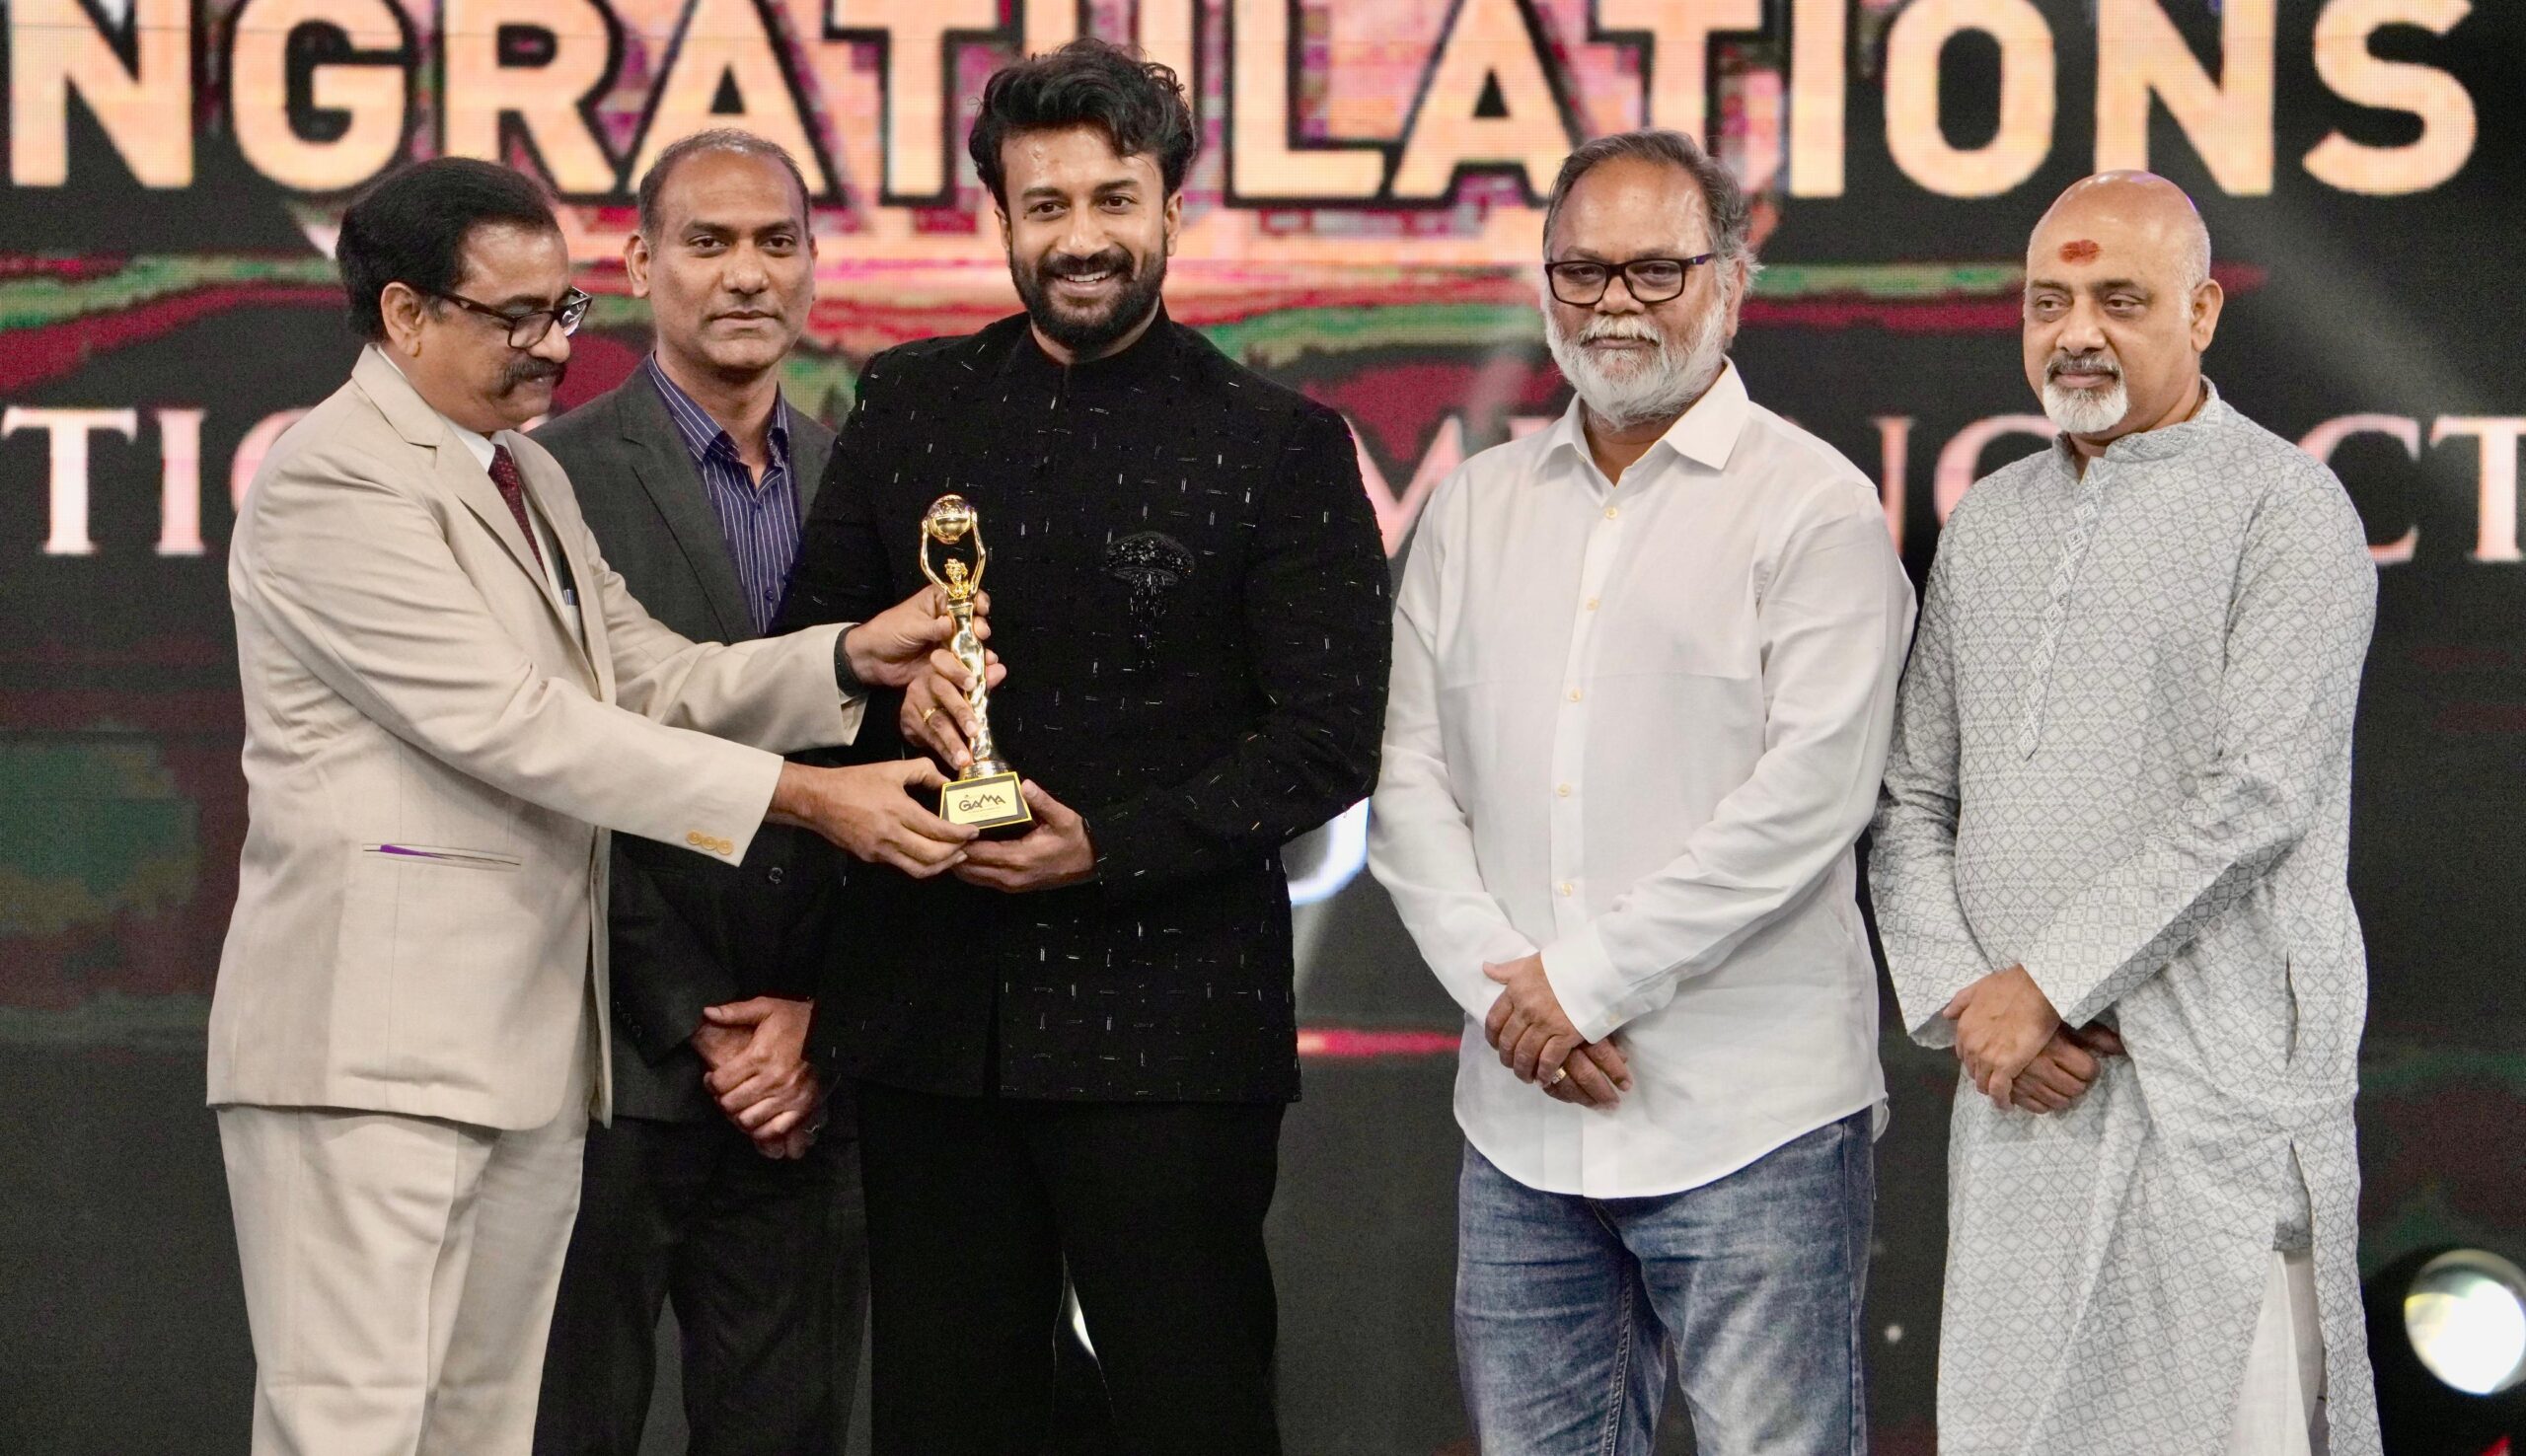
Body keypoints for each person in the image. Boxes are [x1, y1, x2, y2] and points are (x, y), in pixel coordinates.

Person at [209, 156, 981, 1456]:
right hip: (370, 1059)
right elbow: (522, 728)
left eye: (560, 310)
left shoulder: (524, 478)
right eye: (514, 317)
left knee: (485, 1433)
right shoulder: (333, 478)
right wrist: (806, 798)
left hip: (523, 1061)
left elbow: (654, 676)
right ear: (405, 315)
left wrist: (851, 657)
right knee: (351, 1428)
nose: (554, 347)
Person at [774, 38, 1389, 1455]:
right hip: (931, 1022)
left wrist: (1105, 850)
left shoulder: (1278, 444)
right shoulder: (909, 403)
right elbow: (808, 657)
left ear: (1173, 205)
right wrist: (896, 696)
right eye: (1045, 205)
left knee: (1192, 1417)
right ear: (999, 218)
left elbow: (1331, 737)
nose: (1082, 238)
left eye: (1114, 200)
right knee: (943, 1424)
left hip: (1169, 1033)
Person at [1368, 129, 1912, 1454]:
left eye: (1655, 271)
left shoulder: (1815, 509)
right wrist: (1515, 1000)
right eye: (1583, 270)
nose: (1614, 303)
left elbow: (1811, 798)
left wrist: (1583, 985)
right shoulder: (1474, 508)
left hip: (1754, 1123)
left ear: (1731, 281)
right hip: (1522, 1127)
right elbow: (1408, 781)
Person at [1869, 172, 2381, 1456]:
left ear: (2201, 313)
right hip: (2026, 1096)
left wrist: (2048, 981)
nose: (2076, 333)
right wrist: (1970, 1003)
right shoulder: (1988, 523)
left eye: (2120, 300)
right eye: (2048, 302)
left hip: (2205, 1098)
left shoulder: (2286, 509)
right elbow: (1912, 797)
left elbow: (2261, 792)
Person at [531, 131, 868, 1455]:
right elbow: (549, 765)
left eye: (776, 242)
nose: (746, 274)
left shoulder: (872, 485)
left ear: (814, 264)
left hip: (808, 1084)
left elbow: (908, 768)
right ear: (637, 264)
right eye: (708, 242)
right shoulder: (547, 479)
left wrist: (819, 1018)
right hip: (605, 1066)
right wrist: (699, 1022)